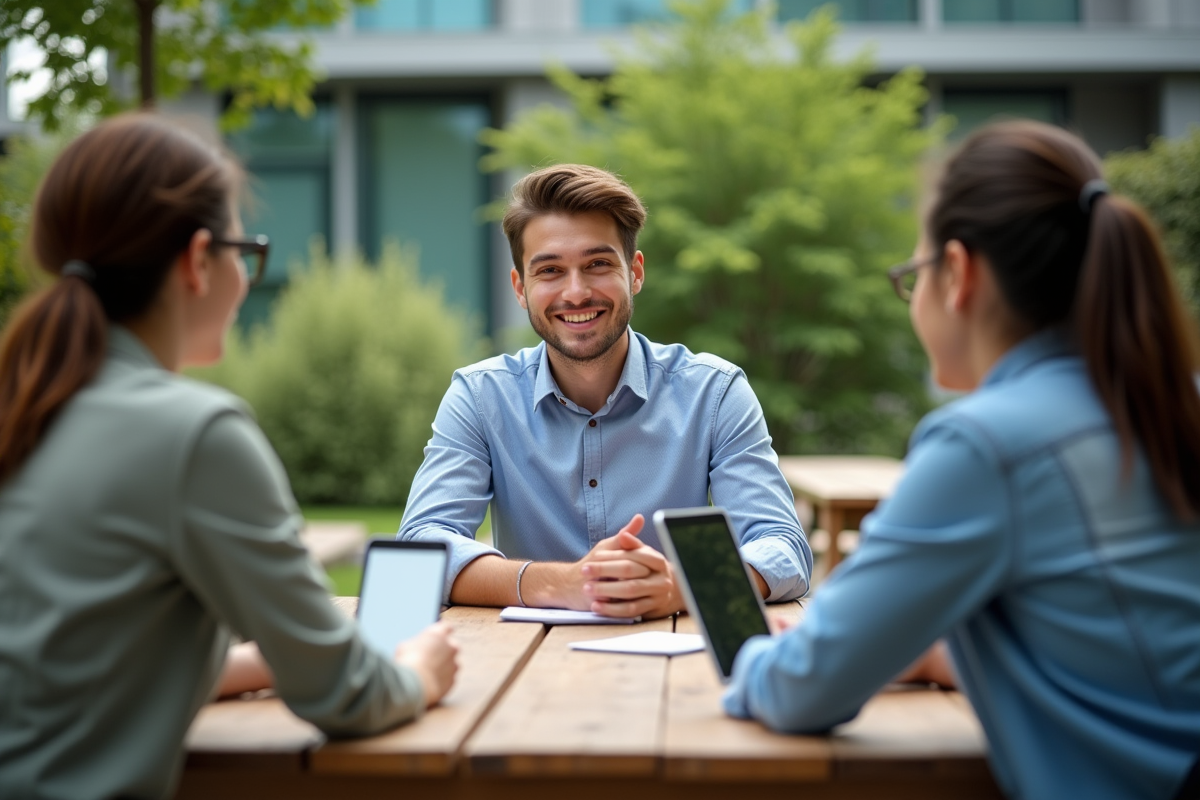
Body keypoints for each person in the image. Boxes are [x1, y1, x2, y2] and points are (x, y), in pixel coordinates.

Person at [722, 120, 1200, 800]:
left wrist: (752, 655)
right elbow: (1126, 634)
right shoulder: (1171, 402)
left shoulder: (985, 444)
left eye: (911, 275)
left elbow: (805, 688)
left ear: (959, 274)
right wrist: (942, 653)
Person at [0, 114, 458, 800]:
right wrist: (419, 672)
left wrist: (276, 655)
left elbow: (84, 653)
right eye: (246, 252)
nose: (245, 278)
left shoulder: (29, 404)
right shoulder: (193, 433)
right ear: (196, 259)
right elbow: (345, 695)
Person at [397, 164, 812, 618]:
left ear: (635, 273)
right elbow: (419, 546)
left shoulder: (714, 393)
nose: (575, 293)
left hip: (675, 664)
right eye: (550, 270)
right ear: (521, 288)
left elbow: (783, 548)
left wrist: (681, 587)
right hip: (525, 667)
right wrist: (560, 583)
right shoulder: (480, 398)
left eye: (597, 264)